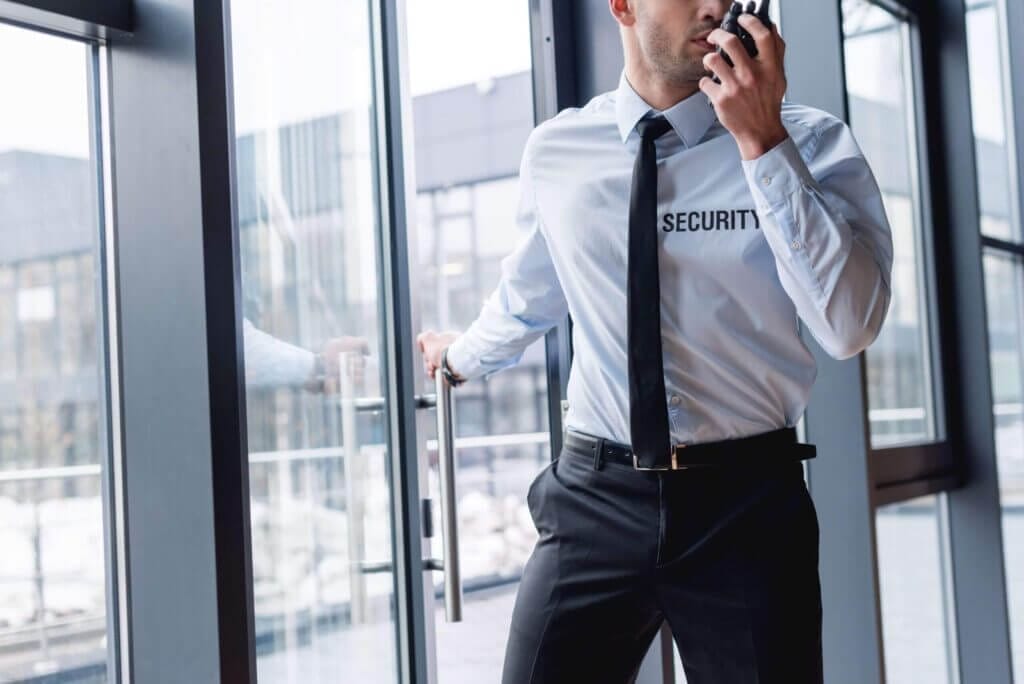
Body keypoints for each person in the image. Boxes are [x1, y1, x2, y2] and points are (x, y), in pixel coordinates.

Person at [417, 0, 893, 681]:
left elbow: (849, 326)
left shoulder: (811, 143)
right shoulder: (558, 151)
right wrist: (458, 360)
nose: (716, 5)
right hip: (594, 498)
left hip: (747, 510)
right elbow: (530, 294)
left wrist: (763, 145)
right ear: (622, 5)